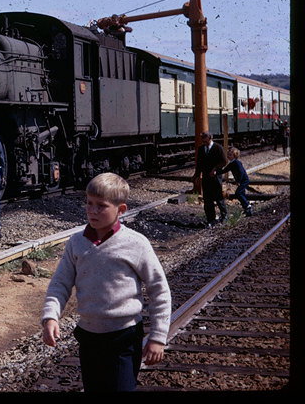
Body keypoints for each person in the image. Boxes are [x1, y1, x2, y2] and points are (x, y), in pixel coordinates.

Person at [41, 172, 171, 392]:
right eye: (89, 203)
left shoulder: (136, 244)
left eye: (101, 206)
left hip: (124, 337)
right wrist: (50, 316)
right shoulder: (76, 243)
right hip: (89, 337)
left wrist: (158, 336)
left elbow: (159, 291)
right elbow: (60, 284)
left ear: (121, 210)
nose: (92, 210)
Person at [192, 130, 228, 226]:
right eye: (203, 142)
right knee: (207, 199)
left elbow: (224, 161)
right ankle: (210, 218)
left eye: (206, 141)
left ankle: (224, 216)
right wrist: (196, 175)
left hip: (216, 177)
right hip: (206, 177)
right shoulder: (201, 149)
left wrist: (215, 169)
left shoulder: (218, 148)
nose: (205, 143)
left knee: (218, 197)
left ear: (211, 139)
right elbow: (199, 163)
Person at [216, 146, 252, 216]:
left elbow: (241, 172)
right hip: (241, 180)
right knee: (242, 194)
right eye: (228, 155)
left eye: (230, 155)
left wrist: (238, 181)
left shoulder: (237, 163)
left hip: (244, 180)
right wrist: (216, 173)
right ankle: (247, 211)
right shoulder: (231, 163)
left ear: (235, 156)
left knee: (238, 193)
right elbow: (224, 170)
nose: (228, 156)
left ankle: (247, 205)